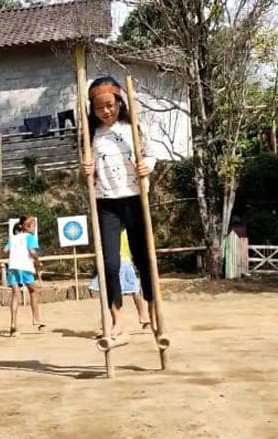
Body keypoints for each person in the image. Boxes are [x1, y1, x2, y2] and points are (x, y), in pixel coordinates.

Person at [80, 76, 157, 338]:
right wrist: (86, 171)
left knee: (144, 259)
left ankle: (153, 310)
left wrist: (147, 166)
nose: (106, 111)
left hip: (134, 198)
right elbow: (88, 171)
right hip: (106, 203)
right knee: (110, 264)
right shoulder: (91, 134)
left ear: (119, 102)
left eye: (110, 105)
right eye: (100, 107)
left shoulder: (131, 127)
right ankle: (117, 319)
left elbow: (150, 154)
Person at [89, 230, 151, 331]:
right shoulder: (109, 228)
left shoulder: (124, 229)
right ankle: (108, 323)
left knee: (132, 291)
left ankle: (144, 318)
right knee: (118, 292)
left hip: (124, 261)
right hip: (116, 262)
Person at [3, 216, 43, 337]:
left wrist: (15, 253)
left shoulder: (13, 238)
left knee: (16, 294)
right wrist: (38, 260)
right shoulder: (30, 237)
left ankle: (13, 324)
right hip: (25, 267)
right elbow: (32, 251)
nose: (34, 228)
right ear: (28, 227)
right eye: (34, 226)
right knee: (33, 290)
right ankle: (36, 318)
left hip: (12, 267)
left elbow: (5, 250)